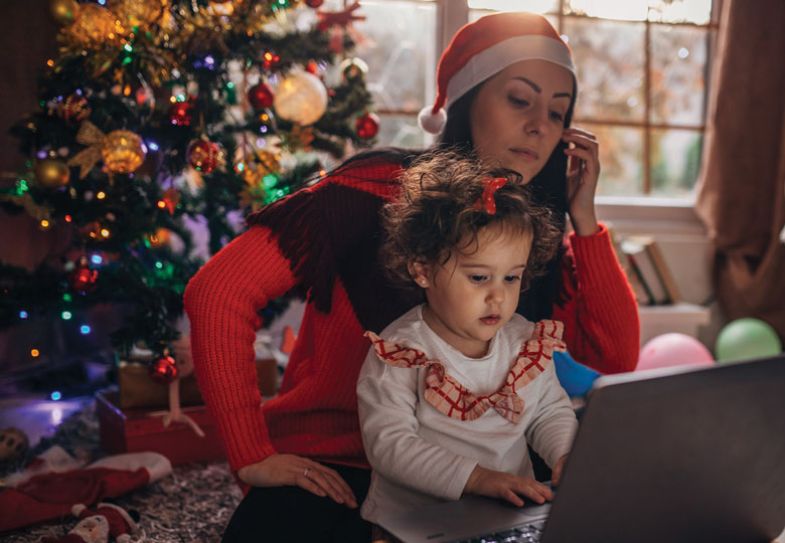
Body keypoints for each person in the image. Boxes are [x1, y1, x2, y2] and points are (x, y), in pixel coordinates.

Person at [183, 11, 639, 543]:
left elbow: (612, 362)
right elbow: (217, 293)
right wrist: (251, 454)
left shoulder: (525, 232)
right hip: (340, 467)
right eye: (520, 100)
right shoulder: (368, 189)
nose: (541, 125)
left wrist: (585, 223)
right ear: (468, 102)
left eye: (559, 113)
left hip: (483, 474)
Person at [357, 152, 578, 529]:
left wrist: (566, 455)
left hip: (507, 515)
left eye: (511, 278)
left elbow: (548, 411)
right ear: (423, 270)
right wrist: (476, 479)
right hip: (414, 525)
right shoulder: (402, 353)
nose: (499, 297)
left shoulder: (523, 341)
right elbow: (390, 446)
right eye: (479, 278)